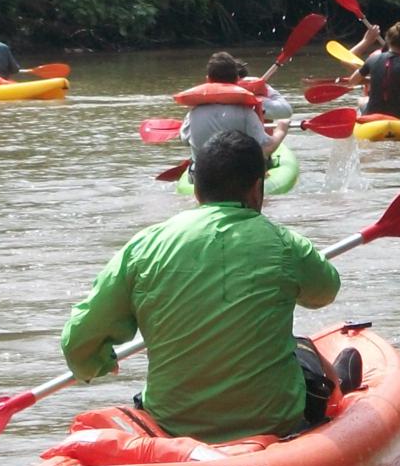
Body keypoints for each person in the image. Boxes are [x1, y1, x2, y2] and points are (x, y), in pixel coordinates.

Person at [60, 130, 343, 443]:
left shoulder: (143, 246)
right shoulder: (284, 243)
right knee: (304, 347)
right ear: (256, 188)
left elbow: (78, 341)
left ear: (196, 190)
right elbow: (325, 291)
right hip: (273, 420)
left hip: (172, 423)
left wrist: (97, 362)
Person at [180, 52, 290, 160]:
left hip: (202, 175)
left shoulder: (193, 113)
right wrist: (281, 130)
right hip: (238, 174)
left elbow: (184, 140)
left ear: (208, 79)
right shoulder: (246, 113)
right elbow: (266, 147)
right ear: (237, 79)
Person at [348, 21, 400, 122]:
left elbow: (352, 81)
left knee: (362, 100)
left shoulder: (372, 59)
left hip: (372, 112)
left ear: (387, 39)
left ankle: (364, 120)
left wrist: (374, 80)